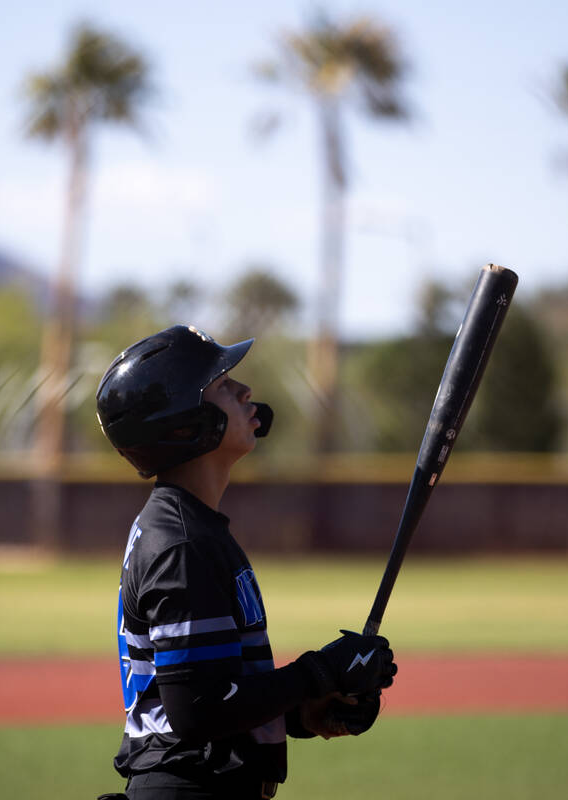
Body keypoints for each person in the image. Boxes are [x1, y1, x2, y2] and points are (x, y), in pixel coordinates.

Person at [94, 325, 397, 800]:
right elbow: (198, 711)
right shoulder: (182, 541)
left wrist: (305, 712)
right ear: (186, 424)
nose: (244, 390)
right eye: (221, 385)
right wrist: (316, 672)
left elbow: (219, 693)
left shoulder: (194, 525)